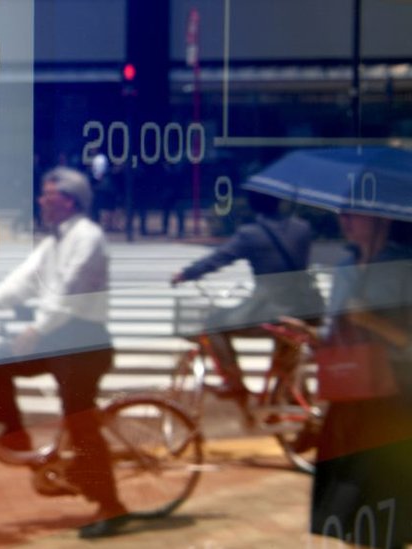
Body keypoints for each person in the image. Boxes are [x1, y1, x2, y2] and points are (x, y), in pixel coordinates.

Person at [0, 166, 129, 537]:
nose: (41, 200)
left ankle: (111, 505)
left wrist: (36, 329)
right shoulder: (54, 240)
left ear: (68, 200)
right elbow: (24, 279)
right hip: (59, 337)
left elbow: (68, 291)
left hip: (85, 340)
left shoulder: (89, 238)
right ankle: (14, 439)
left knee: (79, 419)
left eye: (48, 195)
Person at [280, 216, 412, 548]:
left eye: (354, 214)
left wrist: (371, 321)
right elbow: (336, 329)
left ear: (380, 220)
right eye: (342, 213)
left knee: (386, 500)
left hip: (394, 400)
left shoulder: (403, 267)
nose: (345, 221)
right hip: (350, 399)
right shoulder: (345, 265)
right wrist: (311, 334)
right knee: (348, 504)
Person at [170, 191, 321, 398]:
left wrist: (186, 274)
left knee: (214, 325)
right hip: (304, 308)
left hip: (271, 309)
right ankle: (283, 398)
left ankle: (234, 383)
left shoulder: (251, 234)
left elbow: (220, 258)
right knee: (286, 356)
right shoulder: (302, 229)